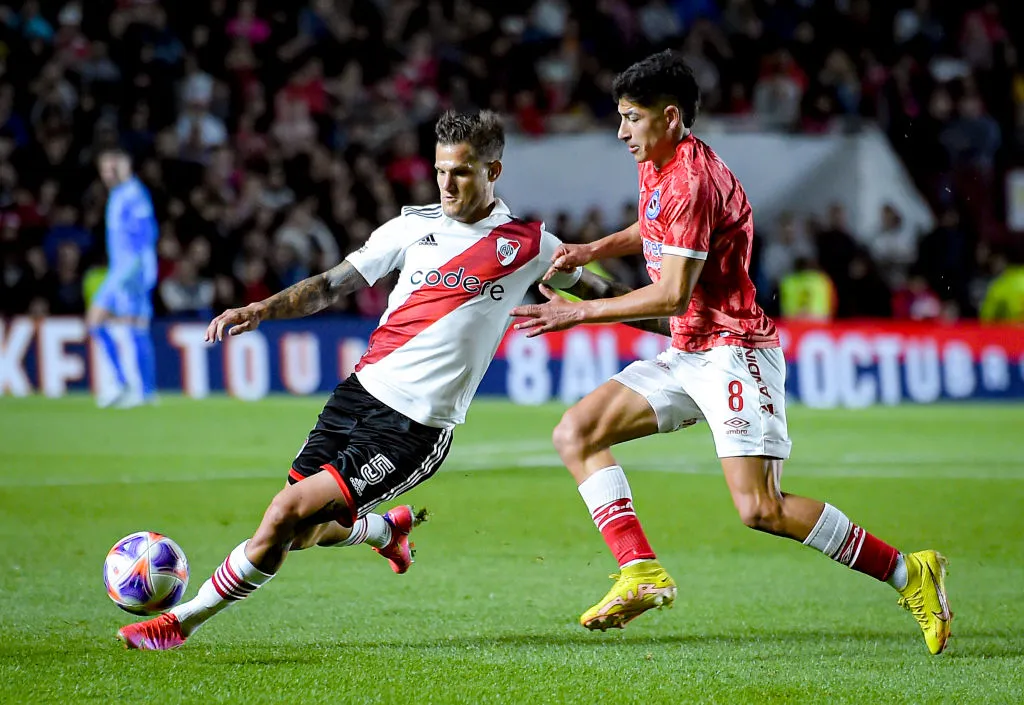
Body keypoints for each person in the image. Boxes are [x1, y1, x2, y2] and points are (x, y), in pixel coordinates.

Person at [116, 110, 668, 650]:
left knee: (283, 516)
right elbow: (331, 286)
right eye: (441, 171)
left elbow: (603, 296)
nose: (448, 184)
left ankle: (178, 624)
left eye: (462, 172)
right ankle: (384, 531)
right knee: (298, 531)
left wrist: (686, 324)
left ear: (493, 173)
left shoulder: (528, 245)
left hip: (414, 428)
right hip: (356, 395)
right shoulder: (411, 226)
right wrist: (262, 308)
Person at [511, 51, 952, 655]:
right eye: (619, 117)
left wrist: (578, 311)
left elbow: (672, 291)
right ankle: (640, 571)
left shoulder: (694, 178)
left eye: (631, 119)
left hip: (733, 351)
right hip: (687, 347)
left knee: (761, 508)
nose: (621, 132)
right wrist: (594, 249)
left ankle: (910, 572)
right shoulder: (660, 162)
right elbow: (655, 225)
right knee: (577, 433)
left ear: (669, 117)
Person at [87, 147, 159, 408]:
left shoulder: (134, 194)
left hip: (130, 273)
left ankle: (136, 388)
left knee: (129, 326)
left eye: (110, 168)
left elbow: (146, 237)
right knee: (117, 325)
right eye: (103, 169)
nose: (106, 174)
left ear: (122, 166)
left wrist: (141, 273)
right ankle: (136, 388)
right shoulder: (119, 194)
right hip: (120, 271)